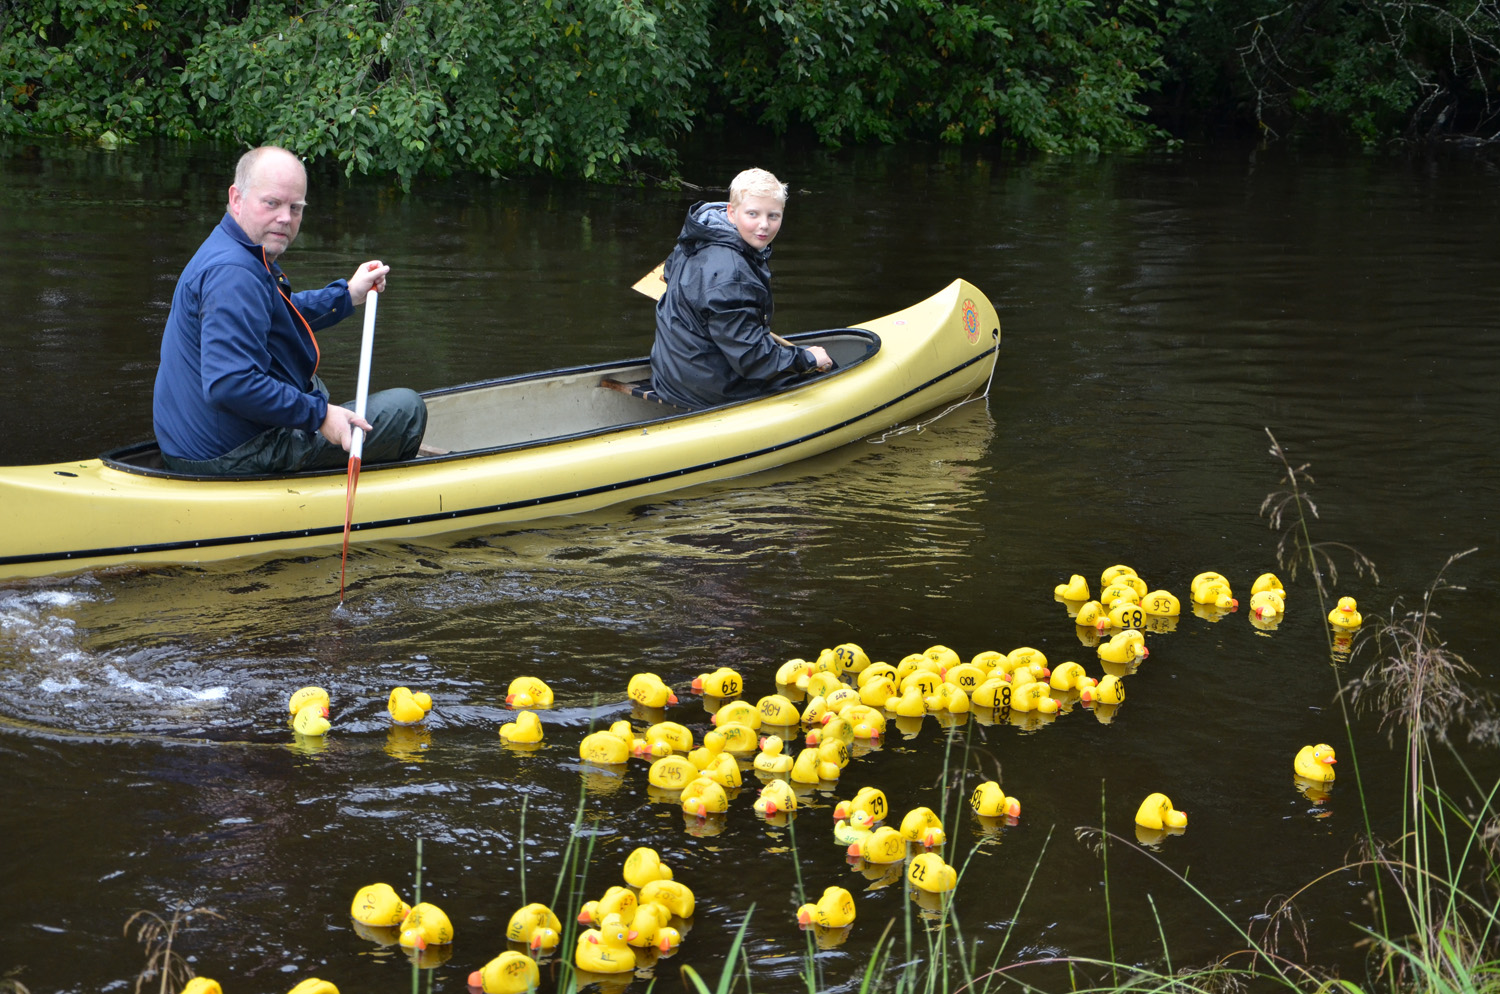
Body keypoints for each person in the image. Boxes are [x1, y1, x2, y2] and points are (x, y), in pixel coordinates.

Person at [153, 145, 427, 475]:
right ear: (237, 199)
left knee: (308, 380)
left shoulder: (235, 247)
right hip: (226, 457)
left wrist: (347, 295)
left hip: (195, 444)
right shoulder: (234, 274)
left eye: (295, 207)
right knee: (407, 409)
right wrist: (321, 416)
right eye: (272, 203)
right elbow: (229, 383)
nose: (285, 217)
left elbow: (274, 314)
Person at [650, 167, 832, 409]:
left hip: (668, 373)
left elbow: (669, 274)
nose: (764, 225)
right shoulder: (732, 275)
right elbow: (752, 359)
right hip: (708, 389)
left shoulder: (698, 234)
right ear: (732, 213)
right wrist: (807, 358)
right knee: (813, 376)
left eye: (773, 216)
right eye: (753, 214)